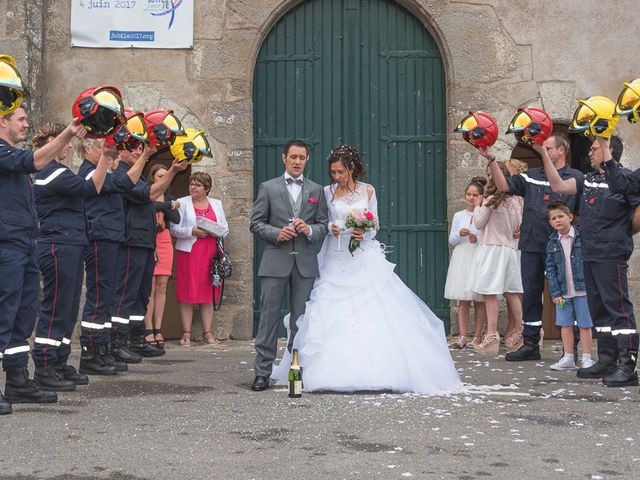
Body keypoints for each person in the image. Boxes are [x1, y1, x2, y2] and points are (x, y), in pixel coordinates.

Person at [271, 145, 461, 394]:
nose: (336, 177)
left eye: (340, 172)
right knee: (326, 306)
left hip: (362, 257)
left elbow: (375, 225)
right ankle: (323, 371)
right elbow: (322, 222)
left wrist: (364, 231)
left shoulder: (367, 191)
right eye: (333, 172)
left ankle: (377, 370)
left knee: (375, 308)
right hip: (334, 257)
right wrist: (331, 228)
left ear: (351, 168)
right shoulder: (326, 192)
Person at [0, 106, 86, 411]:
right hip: (6, 245)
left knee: (23, 316)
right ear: (3, 121)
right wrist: (68, 133)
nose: (26, 124)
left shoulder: (14, 156)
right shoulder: (3, 152)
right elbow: (34, 160)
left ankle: (17, 380)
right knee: (3, 315)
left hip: (25, 243)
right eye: (20, 119)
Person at [538, 136, 639, 387]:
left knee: (618, 309)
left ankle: (627, 366)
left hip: (611, 252)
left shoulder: (626, 180)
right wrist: (542, 151)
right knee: (599, 309)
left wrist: (621, 233)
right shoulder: (588, 179)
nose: (589, 153)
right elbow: (558, 185)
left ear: (608, 149)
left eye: (594, 148)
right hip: (590, 252)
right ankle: (607, 360)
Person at [483, 134, 584, 361]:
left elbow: (579, 215)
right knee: (530, 293)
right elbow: (504, 185)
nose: (542, 150)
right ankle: (530, 344)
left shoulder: (575, 177)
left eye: (547, 148)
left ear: (561, 151)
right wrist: (491, 159)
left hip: (562, 247)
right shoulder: (531, 176)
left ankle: (573, 347)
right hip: (531, 245)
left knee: (568, 293)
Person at [30, 123, 110, 391]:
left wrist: (107, 156)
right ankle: (44, 364)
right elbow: (90, 189)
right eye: (64, 142)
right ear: (51, 142)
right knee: (56, 306)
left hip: (71, 243)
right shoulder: (49, 172)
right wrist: (106, 157)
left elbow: (91, 188)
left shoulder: (60, 170)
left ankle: (60, 361)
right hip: (57, 244)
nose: (68, 146)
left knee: (68, 306)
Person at [249, 139, 329, 392]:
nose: (297, 162)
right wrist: (275, 233)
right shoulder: (268, 188)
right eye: (293, 157)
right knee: (269, 319)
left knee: (301, 321)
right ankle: (262, 372)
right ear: (284, 158)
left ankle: (297, 370)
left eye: (302, 158)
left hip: (304, 263)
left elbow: (324, 225)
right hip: (274, 261)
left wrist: (309, 229)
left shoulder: (317, 190)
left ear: (306, 160)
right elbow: (255, 222)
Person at [79, 137, 150, 375]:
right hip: (100, 238)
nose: (108, 154)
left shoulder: (106, 175)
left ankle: (103, 348)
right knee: (98, 297)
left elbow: (126, 182)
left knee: (108, 298)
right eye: (102, 148)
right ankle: (90, 352)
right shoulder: (88, 172)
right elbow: (110, 184)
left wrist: (145, 156)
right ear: (88, 149)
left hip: (112, 239)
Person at [111, 144, 187, 360]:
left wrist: (173, 170)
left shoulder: (139, 177)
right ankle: (118, 343)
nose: (137, 152)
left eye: (140, 149)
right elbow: (151, 194)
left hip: (144, 242)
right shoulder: (122, 175)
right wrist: (171, 171)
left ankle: (137, 339)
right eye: (133, 149)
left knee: (141, 296)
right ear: (120, 151)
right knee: (126, 295)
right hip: (131, 242)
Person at [471, 161, 524, 353]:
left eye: (488, 174)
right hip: (509, 249)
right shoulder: (517, 201)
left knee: (490, 293)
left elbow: (478, 223)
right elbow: (519, 226)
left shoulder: (490, 200)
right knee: (512, 292)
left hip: (492, 249)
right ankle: (519, 332)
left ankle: (491, 335)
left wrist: (478, 206)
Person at [170, 172, 226, 347]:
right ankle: (186, 332)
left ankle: (207, 332)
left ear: (207, 188)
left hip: (210, 251)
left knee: (208, 291)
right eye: (191, 184)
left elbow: (225, 228)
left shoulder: (217, 204)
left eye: (198, 185)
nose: (193, 187)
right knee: (187, 290)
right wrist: (192, 231)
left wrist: (213, 230)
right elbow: (174, 229)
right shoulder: (182, 202)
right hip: (189, 252)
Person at [545, 201, 594, 371]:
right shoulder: (552, 243)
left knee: (584, 324)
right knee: (565, 324)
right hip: (563, 292)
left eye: (561, 216)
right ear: (550, 222)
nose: (557, 220)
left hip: (583, 289)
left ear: (570, 217)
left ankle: (587, 357)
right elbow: (550, 269)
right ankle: (568, 357)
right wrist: (555, 292)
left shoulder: (583, 237)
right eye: (553, 218)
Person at [444, 177, 487, 349]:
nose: (471, 197)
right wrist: (460, 234)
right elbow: (451, 241)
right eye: (468, 194)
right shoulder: (458, 215)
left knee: (479, 300)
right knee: (463, 300)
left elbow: (487, 236)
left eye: (475, 195)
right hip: (462, 257)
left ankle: (476, 337)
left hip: (477, 256)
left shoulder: (484, 214)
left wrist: (476, 237)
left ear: (481, 197)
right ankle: (462, 336)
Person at [144, 164, 180, 349]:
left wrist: (168, 205)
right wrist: (167, 205)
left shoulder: (168, 196)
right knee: (148, 285)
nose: (163, 179)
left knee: (162, 285)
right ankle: (148, 329)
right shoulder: (146, 194)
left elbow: (176, 218)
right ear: (152, 178)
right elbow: (150, 208)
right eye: (159, 176)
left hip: (164, 240)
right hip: (149, 239)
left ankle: (158, 328)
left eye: (165, 176)